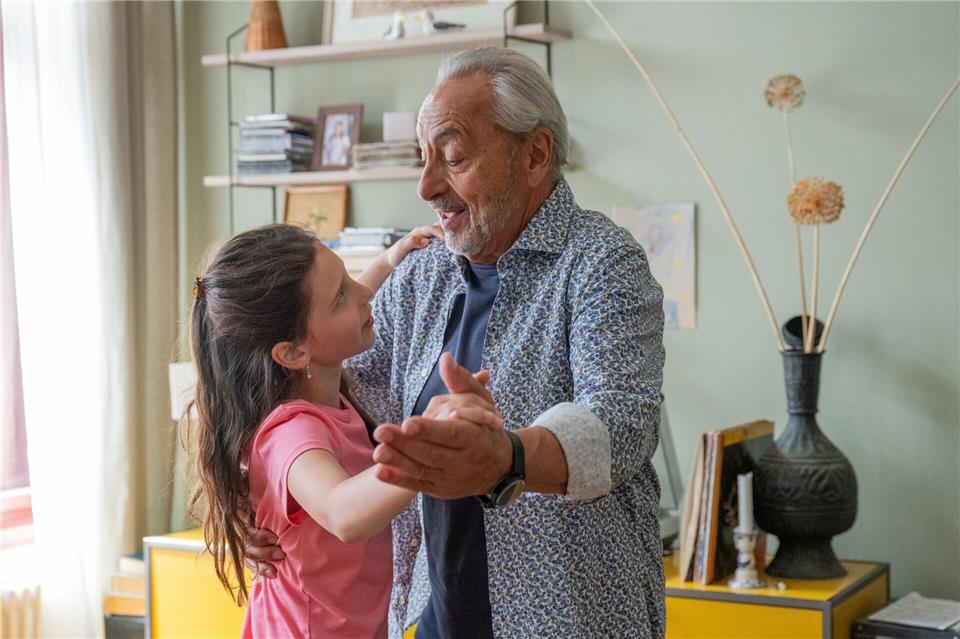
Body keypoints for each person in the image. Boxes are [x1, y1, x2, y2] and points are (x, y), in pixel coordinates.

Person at [247, 47, 666, 638]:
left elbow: (620, 421)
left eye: (453, 157)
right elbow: (325, 395)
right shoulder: (422, 275)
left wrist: (507, 460)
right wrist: (255, 497)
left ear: (535, 154)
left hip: (572, 619)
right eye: (423, 159)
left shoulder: (600, 262)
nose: (426, 187)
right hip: (433, 617)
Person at [186, 222, 502, 638]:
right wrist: (429, 449)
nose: (364, 293)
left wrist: (390, 259)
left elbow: (335, 307)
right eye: (341, 295)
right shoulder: (292, 433)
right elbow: (343, 513)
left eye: (351, 279)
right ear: (294, 352)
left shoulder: (325, 392)